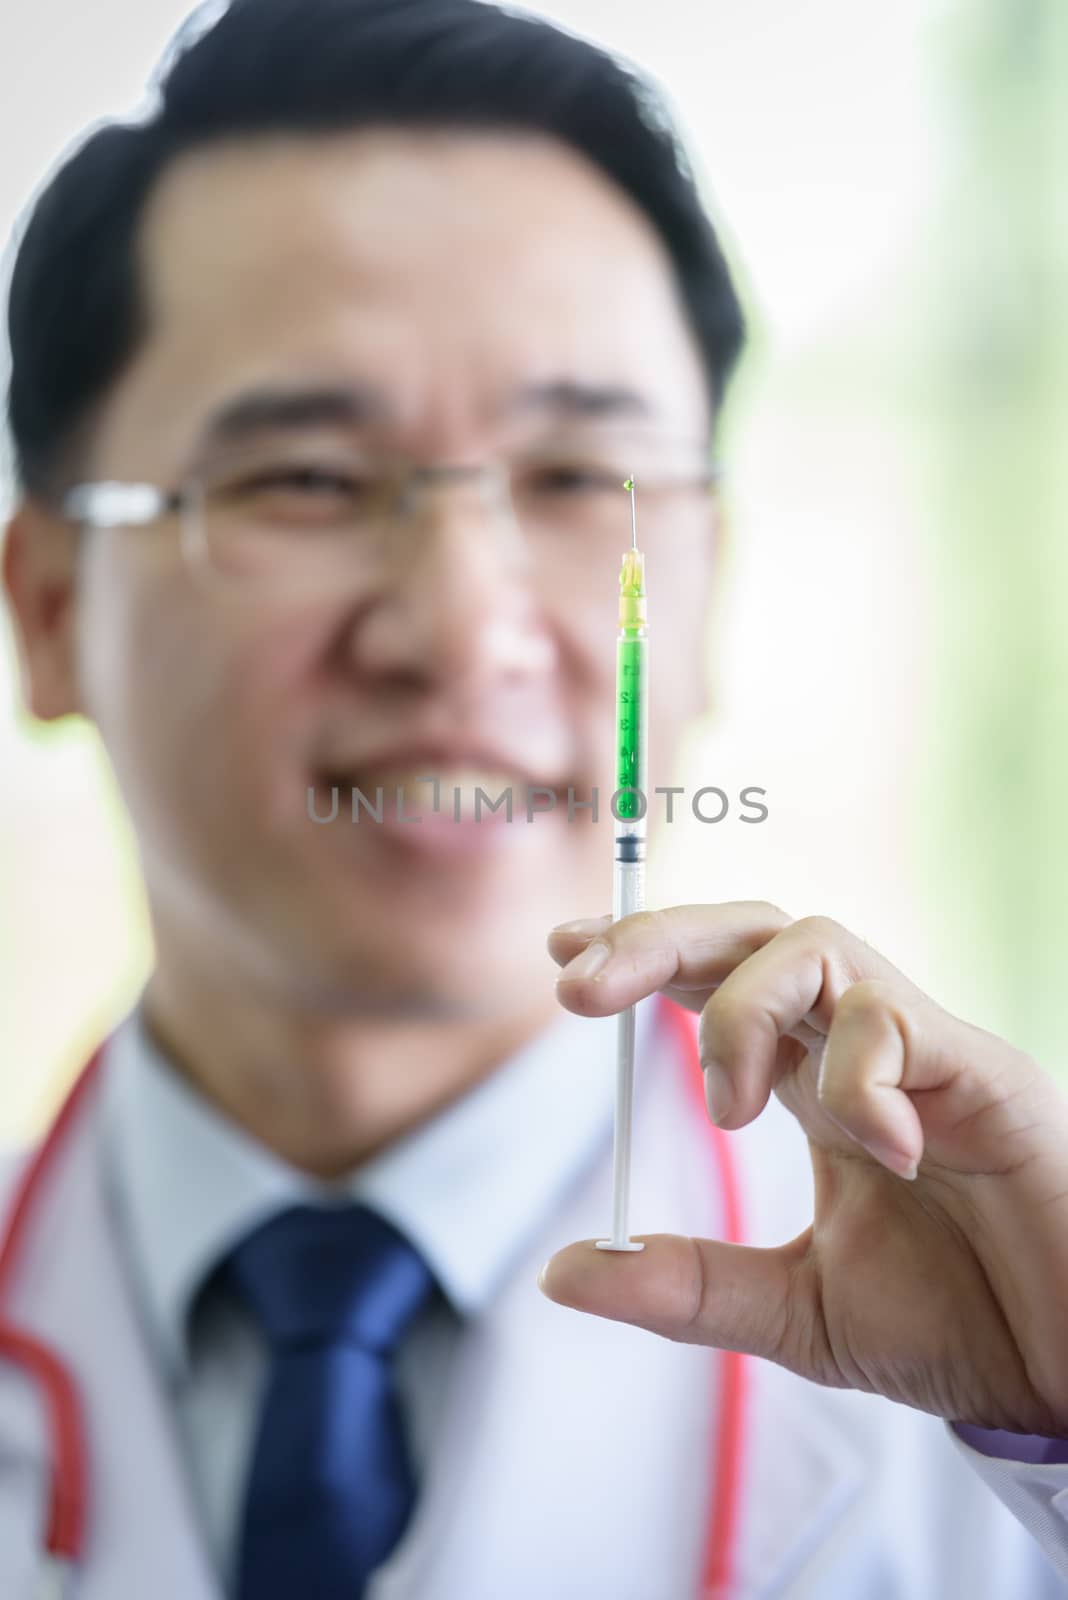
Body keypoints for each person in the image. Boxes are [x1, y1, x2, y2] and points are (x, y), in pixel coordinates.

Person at [2, 1, 1067, 1595]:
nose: (464, 626)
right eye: (305, 478)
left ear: (706, 595)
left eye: (579, 480)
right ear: (52, 608)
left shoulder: (1010, 1397)